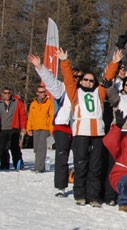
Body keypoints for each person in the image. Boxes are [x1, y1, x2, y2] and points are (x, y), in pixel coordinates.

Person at [59, 48, 122, 207]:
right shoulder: (75, 92)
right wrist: (64, 62)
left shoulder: (99, 93)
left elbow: (107, 77)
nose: (88, 82)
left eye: (91, 80)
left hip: (98, 133)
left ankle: (93, 196)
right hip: (81, 132)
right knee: (81, 165)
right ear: (80, 81)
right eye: (85, 80)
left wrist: (114, 63)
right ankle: (80, 194)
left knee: (95, 166)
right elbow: (68, 79)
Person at [27, 54, 75, 196]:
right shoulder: (63, 89)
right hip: (62, 125)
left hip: (80, 127)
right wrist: (40, 67)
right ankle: (61, 187)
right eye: (75, 77)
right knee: (62, 156)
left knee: (81, 157)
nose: (77, 80)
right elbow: (51, 82)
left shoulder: (85, 92)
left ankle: (80, 184)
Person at [26, 86, 54, 172]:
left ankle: (39, 167)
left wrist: (51, 129)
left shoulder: (49, 102)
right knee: (36, 148)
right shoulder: (33, 104)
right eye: (41, 92)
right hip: (35, 128)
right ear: (37, 93)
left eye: (44, 92)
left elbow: (51, 116)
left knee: (41, 148)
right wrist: (29, 128)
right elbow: (30, 116)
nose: (43, 93)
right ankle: (38, 165)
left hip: (45, 128)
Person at [0, 87, 27, 170]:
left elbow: (23, 116)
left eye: (8, 93)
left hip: (14, 128)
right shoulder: (0, 103)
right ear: (2, 94)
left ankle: (18, 163)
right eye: (5, 93)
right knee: (2, 148)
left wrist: (23, 127)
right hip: (2, 129)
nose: (7, 95)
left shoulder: (17, 102)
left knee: (15, 147)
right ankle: (4, 164)